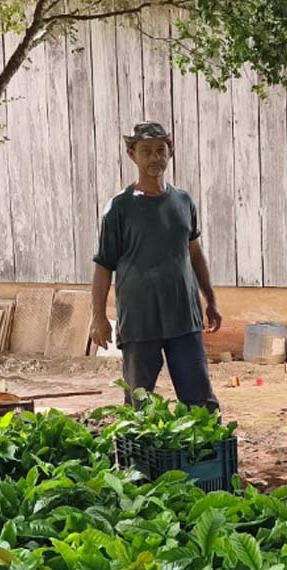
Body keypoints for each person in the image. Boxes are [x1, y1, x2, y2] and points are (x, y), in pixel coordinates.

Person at [90, 121, 221, 409]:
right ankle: (138, 455)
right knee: (140, 401)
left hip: (184, 318)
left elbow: (195, 254)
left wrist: (210, 300)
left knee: (199, 399)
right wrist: (98, 316)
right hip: (139, 320)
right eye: (146, 151)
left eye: (160, 150)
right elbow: (103, 266)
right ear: (131, 154)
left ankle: (205, 452)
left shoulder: (184, 201)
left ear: (170, 153)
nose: (154, 158)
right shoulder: (118, 209)